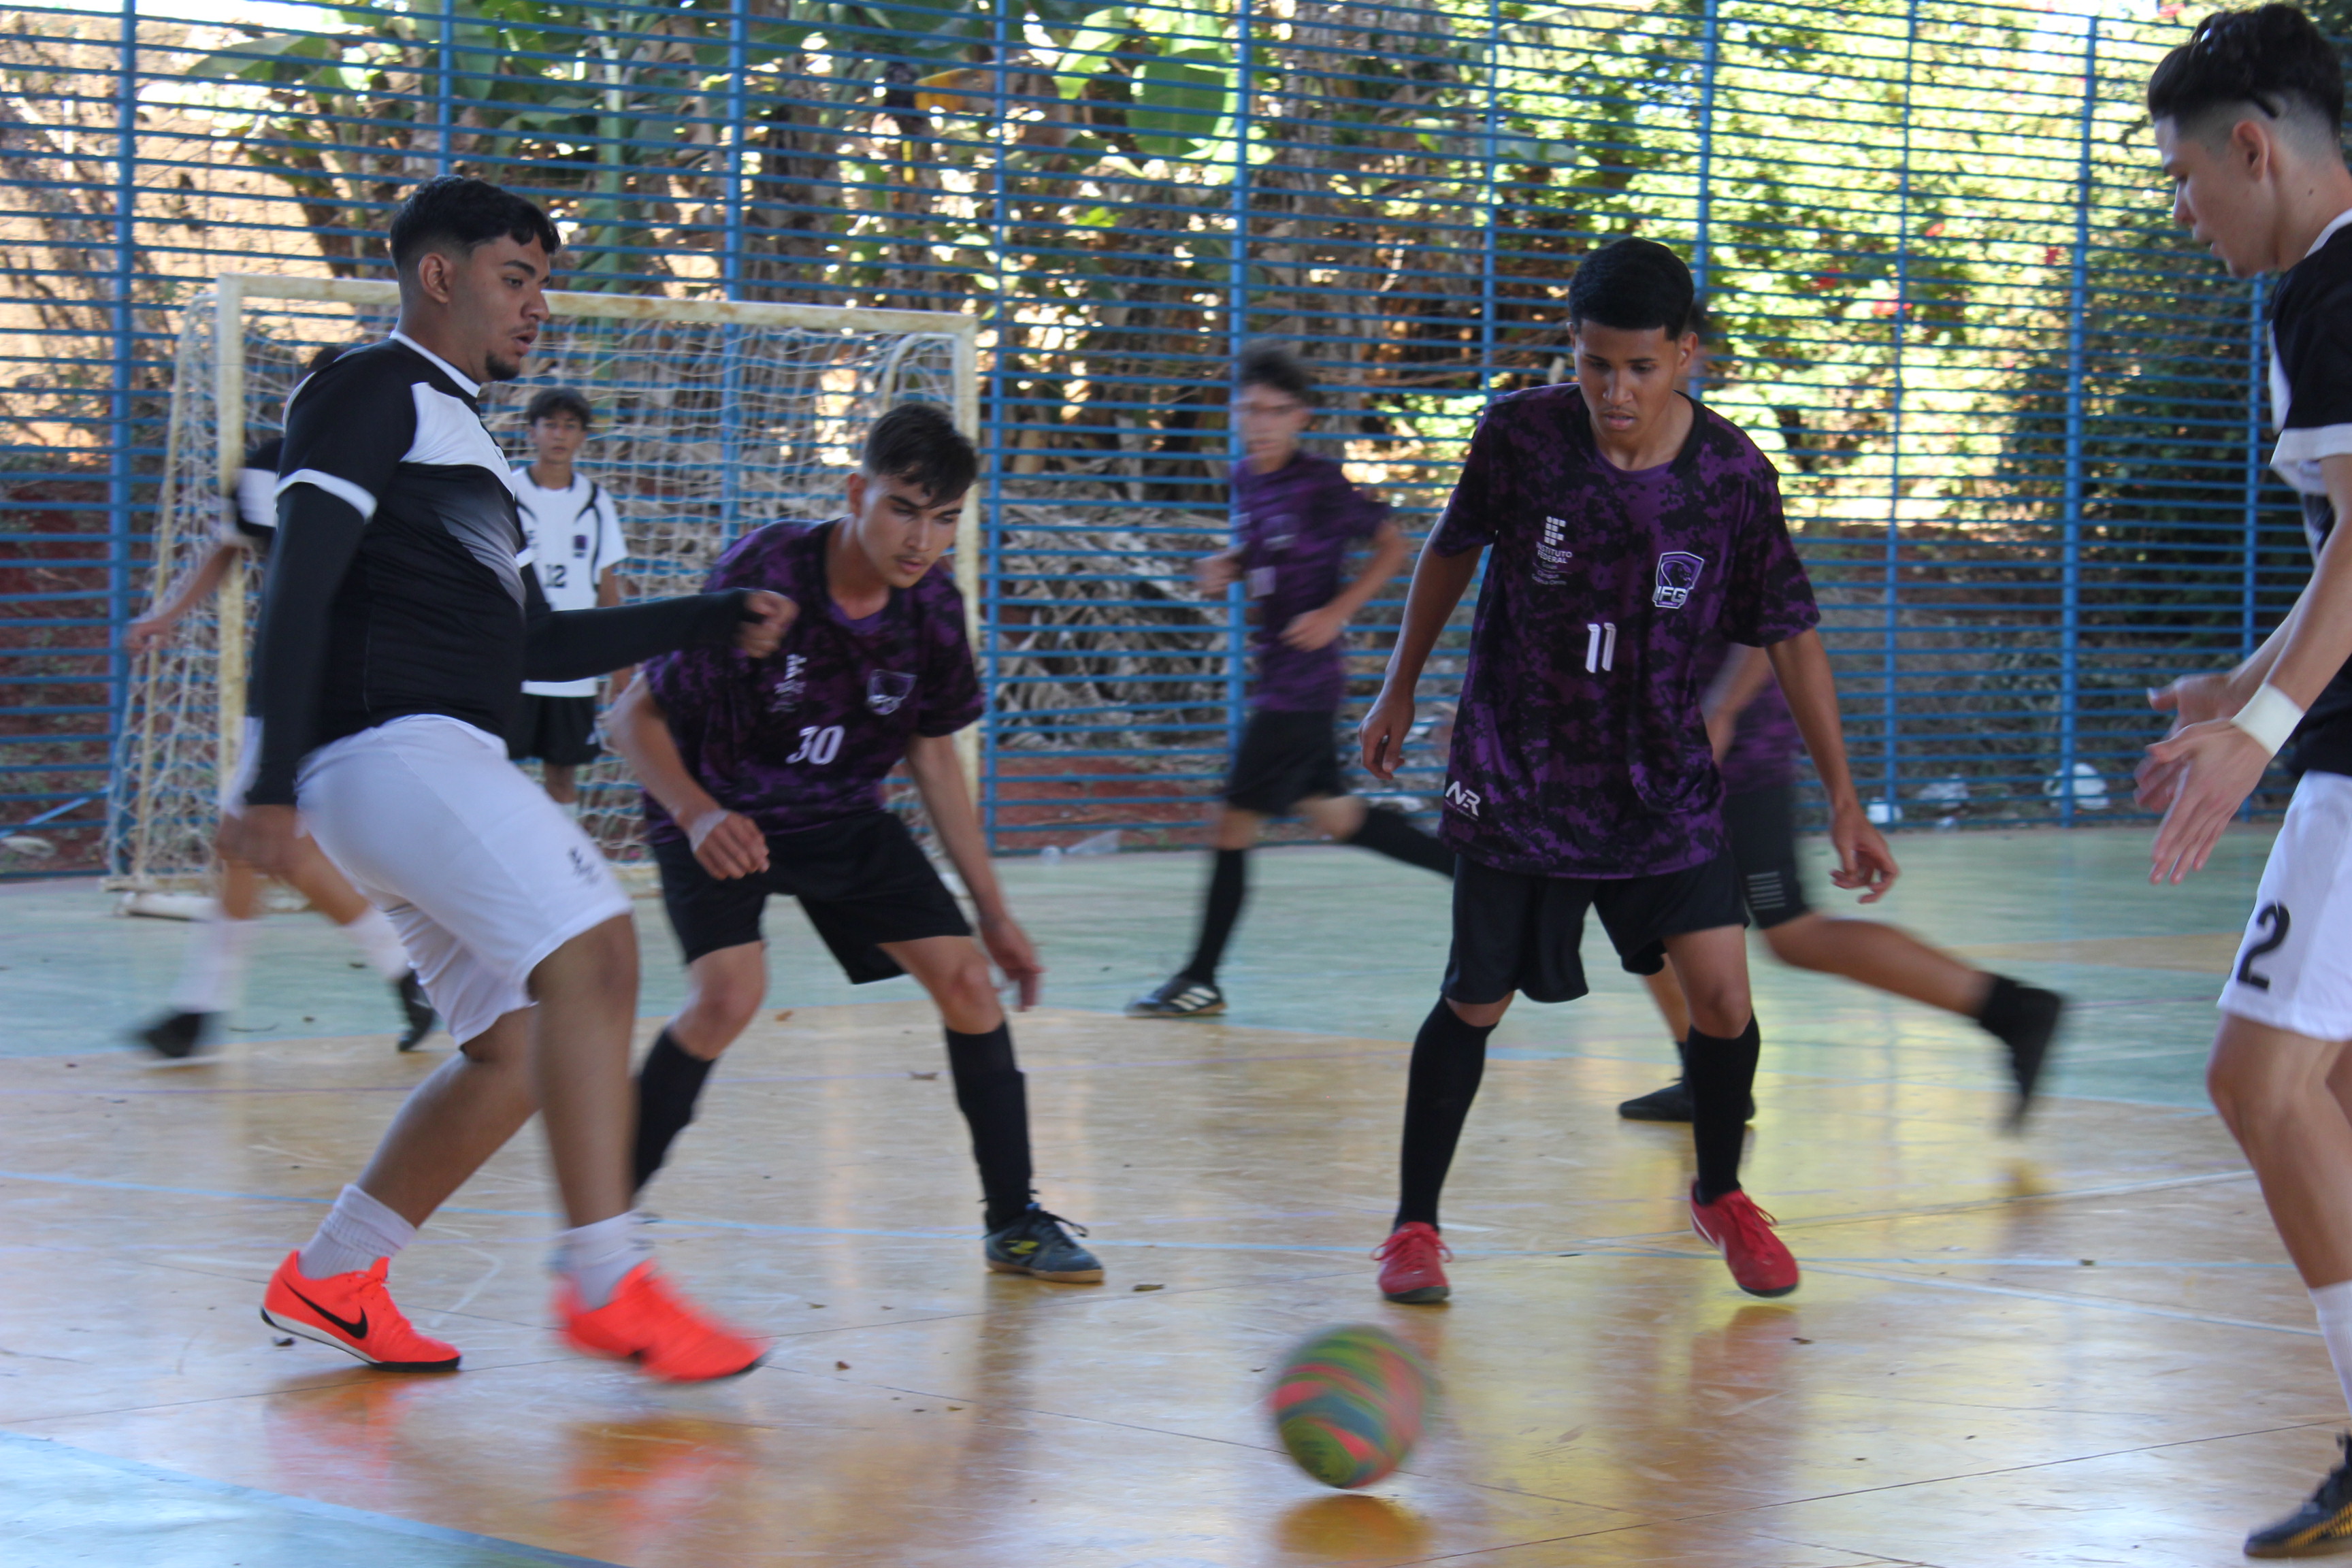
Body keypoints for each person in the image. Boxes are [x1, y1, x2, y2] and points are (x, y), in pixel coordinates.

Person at [231, 175, 791, 1383]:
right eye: (515, 276)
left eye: (544, 281)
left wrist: (703, 614)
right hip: (389, 751)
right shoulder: (368, 387)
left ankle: (334, 1273)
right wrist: (269, 777)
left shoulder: (468, 449)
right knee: (596, 949)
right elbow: (298, 577)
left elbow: (536, 647)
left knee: (523, 1042)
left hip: (429, 761)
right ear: (439, 276)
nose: (538, 306)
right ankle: (608, 1282)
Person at [1356, 237, 1898, 1305]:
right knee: (1475, 999)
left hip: (1661, 782)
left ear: (1688, 354)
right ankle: (1414, 1227)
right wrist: (1398, 681)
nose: (1613, 390)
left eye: (1640, 367)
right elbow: (1452, 550)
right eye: (1594, 363)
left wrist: (1844, 795)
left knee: (1725, 999)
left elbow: (1791, 633)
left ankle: (1722, 1192)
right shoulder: (1520, 437)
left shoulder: (1736, 478)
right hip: (1522, 771)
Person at [608, 402, 1102, 1284]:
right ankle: (600, 1219)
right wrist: (695, 816)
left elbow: (936, 763)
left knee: (967, 984)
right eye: (904, 509)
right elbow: (630, 715)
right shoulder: (763, 574)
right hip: (718, 807)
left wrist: (994, 912)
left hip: (837, 812)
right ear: (855, 493)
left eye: (945, 518)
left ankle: (1015, 1221)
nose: (923, 539)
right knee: (727, 996)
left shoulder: (934, 612)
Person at [2136, 10, 2352, 1554]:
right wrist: (2244, 680)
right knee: (2328, 1087)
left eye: (2178, 177)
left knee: (2257, 1077)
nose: (2176, 210)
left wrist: (2262, 728)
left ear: (2252, 148)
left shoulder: (2325, 295)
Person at [1616, 632, 2065, 1127]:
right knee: (1648, 914)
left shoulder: (1726, 553)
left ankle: (2013, 1009)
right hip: (1664, 752)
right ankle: (1704, 1080)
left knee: (1791, 931)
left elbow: (1769, 627)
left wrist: (1720, 711)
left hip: (1725, 759)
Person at [125, 344, 435, 1058]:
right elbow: (230, 550)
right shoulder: (266, 465)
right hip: (292, 673)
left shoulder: (393, 468)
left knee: (258, 841)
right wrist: (168, 614)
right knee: (251, 845)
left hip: (342, 675)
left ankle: (405, 971)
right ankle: (207, 1009)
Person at [1127, 345, 1454, 1019]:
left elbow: (1393, 545)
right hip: (1279, 678)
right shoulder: (1247, 478)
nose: (1263, 422)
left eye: (1278, 411)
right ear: (1235, 412)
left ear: (1302, 416)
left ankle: (1201, 977)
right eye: (1251, 409)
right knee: (1338, 818)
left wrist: (1337, 612)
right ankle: (1479, 875)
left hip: (1301, 690)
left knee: (1230, 824)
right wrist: (1230, 565)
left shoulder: (1321, 484)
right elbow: (1264, 551)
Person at [508, 387, 630, 817]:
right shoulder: (505, 492)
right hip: (513, 660)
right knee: (493, 768)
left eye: (570, 426)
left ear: (582, 438)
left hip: (571, 665)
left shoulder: (597, 503)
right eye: (551, 425)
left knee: (563, 773)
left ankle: (562, 867)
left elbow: (607, 587)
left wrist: (621, 667)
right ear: (532, 433)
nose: (559, 435)